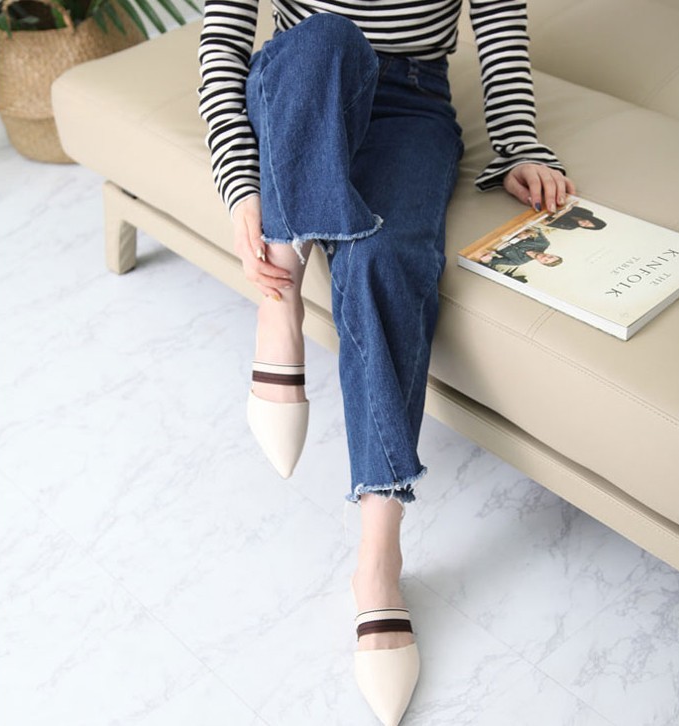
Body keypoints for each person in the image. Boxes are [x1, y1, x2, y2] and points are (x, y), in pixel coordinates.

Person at [197, 2, 575, 723]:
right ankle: (278, 300)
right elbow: (222, 40)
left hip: (412, 102)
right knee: (327, 38)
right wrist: (242, 187)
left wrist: (520, 144)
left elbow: (499, 19)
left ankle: (378, 559)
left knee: (384, 258)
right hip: (303, 89)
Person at [484, 229, 564, 267]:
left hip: (489, 243)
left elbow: (492, 261)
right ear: (552, 254)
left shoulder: (519, 262)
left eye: (546, 260)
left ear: (542, 263)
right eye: (550, 256)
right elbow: (537, 230)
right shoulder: (543, 244)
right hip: (504, 231)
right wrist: (527, 234)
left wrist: (487, 259)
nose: (545, 257)